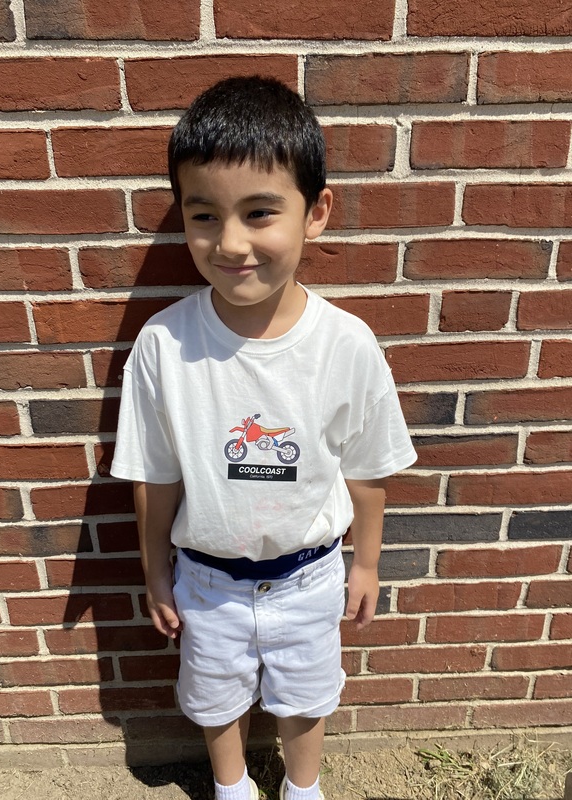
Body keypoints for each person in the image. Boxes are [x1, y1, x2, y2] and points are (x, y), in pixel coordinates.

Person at [110, 76, 417, 800]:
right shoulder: (164, 344)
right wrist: (155, 572)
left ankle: (304, 787)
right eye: (205, 215)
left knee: (307, 698)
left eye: (259, 212)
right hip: (207, 582)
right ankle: (233, 785)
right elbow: (154, 476)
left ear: (316, 214)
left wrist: (365, 565)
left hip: (311, 577)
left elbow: (368, 468)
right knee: (214, 697)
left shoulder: (346, 344)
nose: (232, 242)